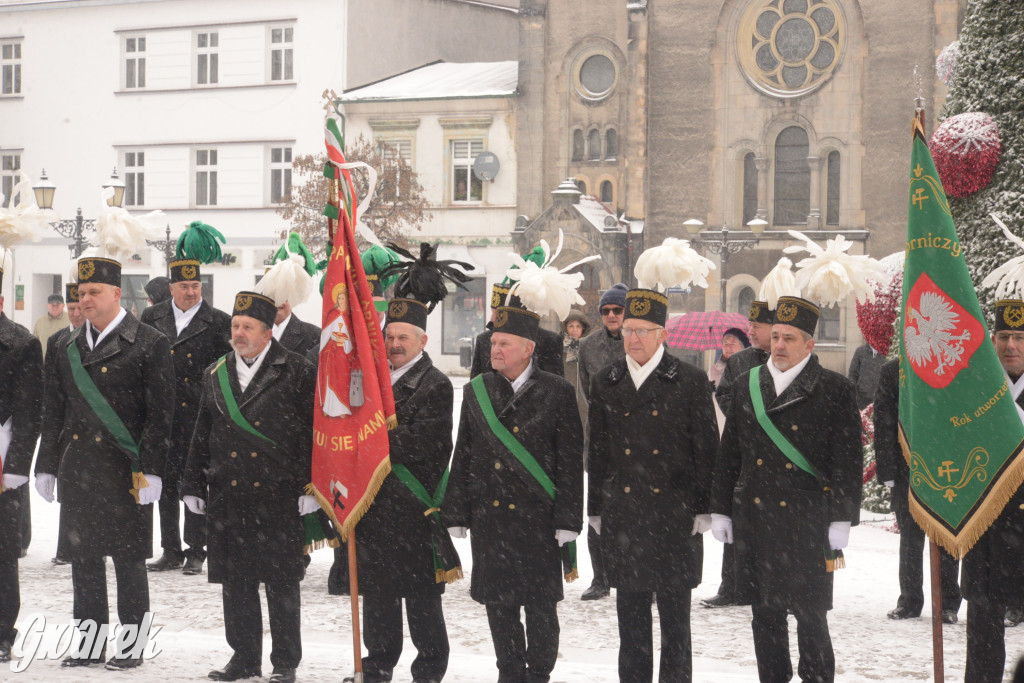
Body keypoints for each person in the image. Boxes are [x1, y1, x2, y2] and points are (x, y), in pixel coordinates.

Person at [711, 295, 862, 683]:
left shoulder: (835, 389)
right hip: (757, 519)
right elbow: (731, 453)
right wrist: (722, 508)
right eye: (775, 336)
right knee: (764, 616)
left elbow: (847, 461)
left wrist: (842, 518)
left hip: (809, 522)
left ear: (809, 345)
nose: (779, 345)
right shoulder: (748, 384)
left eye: (789, 338)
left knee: (811, 617)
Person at [35, 254, 175, 669]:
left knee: (129, 562)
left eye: (95, 292)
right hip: (79, 468)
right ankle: (89, 643)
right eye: (82, 292)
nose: (86, 299)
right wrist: (46, 464)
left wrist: (152, 467)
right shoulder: (64, 344)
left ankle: (131, 646)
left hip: (126, 471)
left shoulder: (149, 342)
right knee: (84, 560)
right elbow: (53, 409)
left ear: (117, 294)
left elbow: (161, 414)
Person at [182, 291, 317, 683]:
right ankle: (243, 657)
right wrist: (192, 482)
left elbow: (311, 434)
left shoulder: (297, 370)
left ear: (267, 332)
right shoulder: (215, 372)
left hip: (279, 494)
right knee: (235, 582)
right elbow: (201, 432)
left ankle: (285, 662)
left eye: (247, 327)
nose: (238, 333)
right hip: (229, 492)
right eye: (235, 326)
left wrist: (311, 486)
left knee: (281, 584)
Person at [587, 287, 719, 682]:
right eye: (628, 330)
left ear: (663, 334)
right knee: (631, 623)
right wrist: (595, 507)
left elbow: (705, 449)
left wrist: (703, 507)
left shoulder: (690, 381)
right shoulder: (605, 380)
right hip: (625, 516)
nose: (634, 339)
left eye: (644, 331)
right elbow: (598, 451)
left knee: (676, 623)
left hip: (674, 517)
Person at [446, 303, 584, 683]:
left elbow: (570, 461)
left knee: (541, 607)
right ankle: (509, 672)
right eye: (493, 343)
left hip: (539, 519)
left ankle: (538, 673)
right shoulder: (476, 390)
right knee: (498, 605)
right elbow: (465, 451)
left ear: (528, 348)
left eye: (505, 343)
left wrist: (569, 519)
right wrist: (456, 510)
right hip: (492, 518)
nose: (495, 350)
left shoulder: (557, 391)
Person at [346, 295, 456, 683]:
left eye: (403, 337)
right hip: (373, 506)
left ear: (422, 341)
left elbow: (427, 445)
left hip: (412, 508)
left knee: (423, 600)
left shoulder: (436, 384)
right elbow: (347, 426)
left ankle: (428, 669)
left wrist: (371, 436)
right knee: (377, 598)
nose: (394, 344)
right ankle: (377, 664)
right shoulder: (366, 377)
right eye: (389, 335)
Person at [141, 258, 232, 576]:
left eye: (196, 286)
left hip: (199, 416)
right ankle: (171, 549)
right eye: (184, 286)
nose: (191, 292)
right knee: (163, 483)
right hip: (162, 415)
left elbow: (227, 370)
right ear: (171, 289)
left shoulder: (219, 321)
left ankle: (196, 549)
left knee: (195, 483)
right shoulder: (152, 317)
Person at [961, 298, 1024, 681]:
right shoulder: (975, 391)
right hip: (988, 531)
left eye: (1019, 337)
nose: (1011, 346)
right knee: (983, 635)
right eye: (1003, 336)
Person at [874, 357, 961, 623]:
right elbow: (883, 422)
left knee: (947, 537)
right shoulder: (894, 371)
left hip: (947, 467)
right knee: (910, 539)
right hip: (906, 469)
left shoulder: (953, 365)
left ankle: (948, 603)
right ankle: (910, 601)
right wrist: (888, 472)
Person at [0, 274, 44, 664]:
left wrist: (16, 468)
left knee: (1, 554)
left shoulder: (21, 344)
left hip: (0, 467)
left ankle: (2, 632)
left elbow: (30, 414)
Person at [577, 282, 629, 601]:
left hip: (634, 439)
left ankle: (633, 574)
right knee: (597, 511)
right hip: (599, 437)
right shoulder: (588, 345)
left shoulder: (637, 339)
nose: (611, 315)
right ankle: (600, 577)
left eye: (617, 310)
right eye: (606, 310)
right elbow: (586, 387)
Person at [43, 280, 84, 567]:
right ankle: (66, 547)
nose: (76, 314)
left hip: (95, 424)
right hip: (67, 427)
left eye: (79, 307)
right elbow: (51, 389)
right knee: (68, 492)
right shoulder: (56, 341)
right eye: (71, 308)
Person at [471, 281, 565, 378]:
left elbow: (556, 386)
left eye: (498, 314)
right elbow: (475, 387)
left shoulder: (549, 340)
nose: (492, 319)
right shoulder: (483, 340)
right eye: (492, 312)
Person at [713, 300, 773, 418]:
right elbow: (723, 395)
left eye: (756, 326)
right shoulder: (737, 360)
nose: (750, 331)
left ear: (774, 328)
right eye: (750, 325)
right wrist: (745, 418)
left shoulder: (791, 359)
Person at [561, 309, 591, 427]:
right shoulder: (561, 348)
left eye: (578, 326)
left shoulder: (589, 347)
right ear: (566, 328)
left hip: (584, 397)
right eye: (571, 326)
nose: (574, 329)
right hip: (567, 394)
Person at [847, 342, 886, 410]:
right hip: (863, 397)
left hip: (881, 398)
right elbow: (853, 374)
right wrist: (855, 393)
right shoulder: (860, 351)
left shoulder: (886, 352)